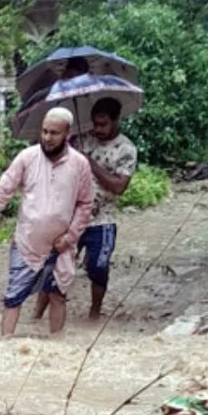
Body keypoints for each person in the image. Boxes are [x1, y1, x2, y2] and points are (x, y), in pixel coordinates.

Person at [0, 107, 93, 336]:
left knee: (58, 296)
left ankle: (57, 347)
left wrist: (71, 237)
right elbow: (2, 192)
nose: (47, 137)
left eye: (54, 133)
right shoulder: (27, 158)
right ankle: (5, 348)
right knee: (13, 297)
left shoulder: (80, 164)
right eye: (44, 131)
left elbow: (85, 204)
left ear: (68, 134)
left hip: (61, 245)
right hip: (27, 245)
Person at [34, 98, 137, 321]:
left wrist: (90, 163)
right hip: (70, 216)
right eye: (95, 124)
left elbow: (119, 187)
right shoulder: (80, 141)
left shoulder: (126, 148)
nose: (98, 129)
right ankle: (37, 314)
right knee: (53, 265)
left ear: (116, 120)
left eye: (104, 124)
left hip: (102, 219)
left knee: (98, 267)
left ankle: (94, 313)